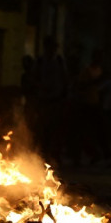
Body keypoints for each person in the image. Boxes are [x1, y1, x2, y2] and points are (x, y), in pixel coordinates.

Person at [33, 35, 68, 166]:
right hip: (43, 101)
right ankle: (42, 157)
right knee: (43, 131)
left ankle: (54, 157)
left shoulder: (59, 61)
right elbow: (34, 78)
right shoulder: (40, 61)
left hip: (56, 101)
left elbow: (65, 79)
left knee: (55, 130)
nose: (52, 49)